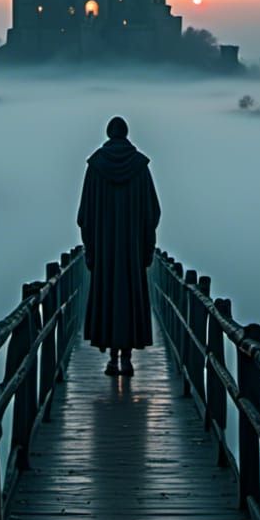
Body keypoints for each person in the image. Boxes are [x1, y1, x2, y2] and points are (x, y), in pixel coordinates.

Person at [76, 116, 161, 376]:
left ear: (108, 134)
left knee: (108, 299)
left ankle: (112, 359)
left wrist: (91, 248)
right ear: (125, 134)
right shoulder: (140, 167)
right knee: (130, 299)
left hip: (104, 249)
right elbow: (152, 213)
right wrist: (147, 247)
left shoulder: (95, 167)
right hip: (132, 250)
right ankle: (127, 358)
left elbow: (85, 216)